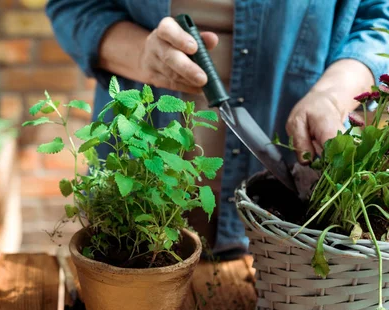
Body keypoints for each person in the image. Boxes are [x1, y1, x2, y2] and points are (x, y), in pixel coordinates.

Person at [45, 0, 389, 260]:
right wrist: (141, 55)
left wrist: (333, 95)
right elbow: (74, 6)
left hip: (281, 226)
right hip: (133, 202)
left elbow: (378, 16)